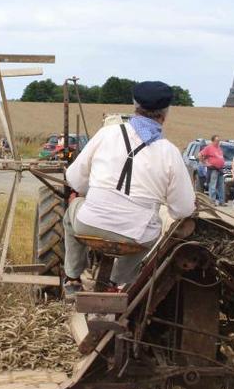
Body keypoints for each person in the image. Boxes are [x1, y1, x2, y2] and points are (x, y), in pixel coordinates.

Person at [62, 81, 196, 297]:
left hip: (89, 225)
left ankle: (72, 277)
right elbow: (183, 210)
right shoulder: (169, 152)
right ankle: (116, 282)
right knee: (154, 228)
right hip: (136, 236)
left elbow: (75, 181)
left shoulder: (107, 134)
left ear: (135, 105)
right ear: (166, 112)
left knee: (72, 211)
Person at [199, 135, 225, 206]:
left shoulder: (219, 148)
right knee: (212, 186)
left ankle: (221, 201)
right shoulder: (209, 148)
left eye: (219, 141)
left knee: (221, 186)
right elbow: (200, 155)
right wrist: (205, 163)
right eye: (216, 141)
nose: (218, 142)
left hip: (220, 170)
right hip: (213, 169)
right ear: (213, 141)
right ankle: (212, 201)